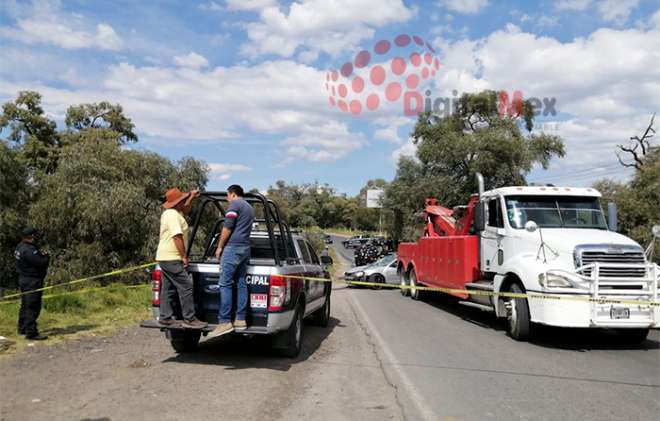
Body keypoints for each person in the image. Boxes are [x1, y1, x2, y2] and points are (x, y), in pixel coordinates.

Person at [156, 188, 207, 329]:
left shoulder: (172, 212)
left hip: (164, 257)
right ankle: (189, 319)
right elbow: (177, 236)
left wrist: (191, 197)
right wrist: (184, 256)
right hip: (172, 257)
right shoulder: (172, 215)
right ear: (178, 202)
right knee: (186, 286)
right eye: (182, 200)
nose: (184, 202)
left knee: (167, 288)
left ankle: (165, 317)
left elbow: (186, 210)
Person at [211, 185, 255, 336]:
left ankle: (224, 322)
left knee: (225, 283)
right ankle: (240, 319)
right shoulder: (249, 207)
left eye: (227, 195)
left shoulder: (235, 205)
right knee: (241, 282)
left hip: (233, 248)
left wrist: (219, 247)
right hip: (245, 248)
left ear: (233, 194)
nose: (226, 198)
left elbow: (227, 227)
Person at [15, 227, 50, 340]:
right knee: (32, 307)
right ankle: (31, 332)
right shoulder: (29, 250)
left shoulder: (20, 246)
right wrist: (46, 256)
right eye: (35, 235)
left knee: (25, 305)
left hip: (23, 279)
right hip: (32, 281)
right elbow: (41, 262)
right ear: (31, 236)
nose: (37, 237)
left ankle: (22, 328)